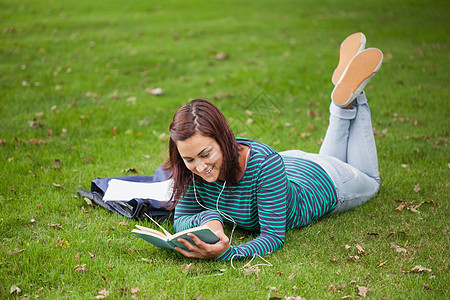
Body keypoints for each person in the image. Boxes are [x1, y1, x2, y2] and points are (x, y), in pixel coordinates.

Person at [164, 32, 383, 261]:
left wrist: (229, 253)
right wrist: (209, 218)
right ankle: (342, 95)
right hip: (292, 165)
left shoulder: (264, 166)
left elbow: (273, 236)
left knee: (372, 181)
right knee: (328, 156)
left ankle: (355, 95)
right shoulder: (191, 166)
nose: (200, 167)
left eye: (205, 154)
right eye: (189, 159)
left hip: (328, 181)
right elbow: (181, 218)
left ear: (223, 138)